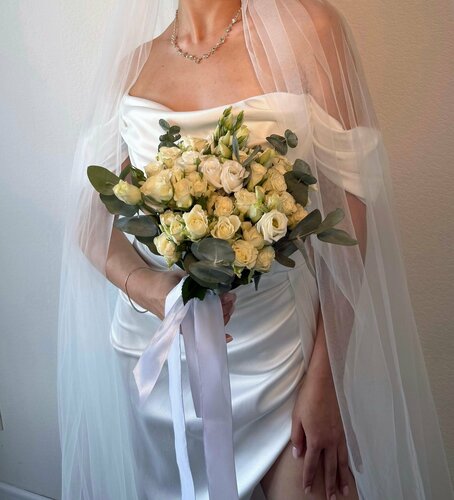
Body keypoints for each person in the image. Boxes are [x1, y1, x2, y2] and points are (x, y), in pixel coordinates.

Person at [57, 1, 454, 499]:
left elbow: (348, 208)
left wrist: (326, 383)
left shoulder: (312, 31)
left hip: (279, 354)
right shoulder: (134, 66)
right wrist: (151, 288)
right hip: (163, 366)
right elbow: (87, 218)